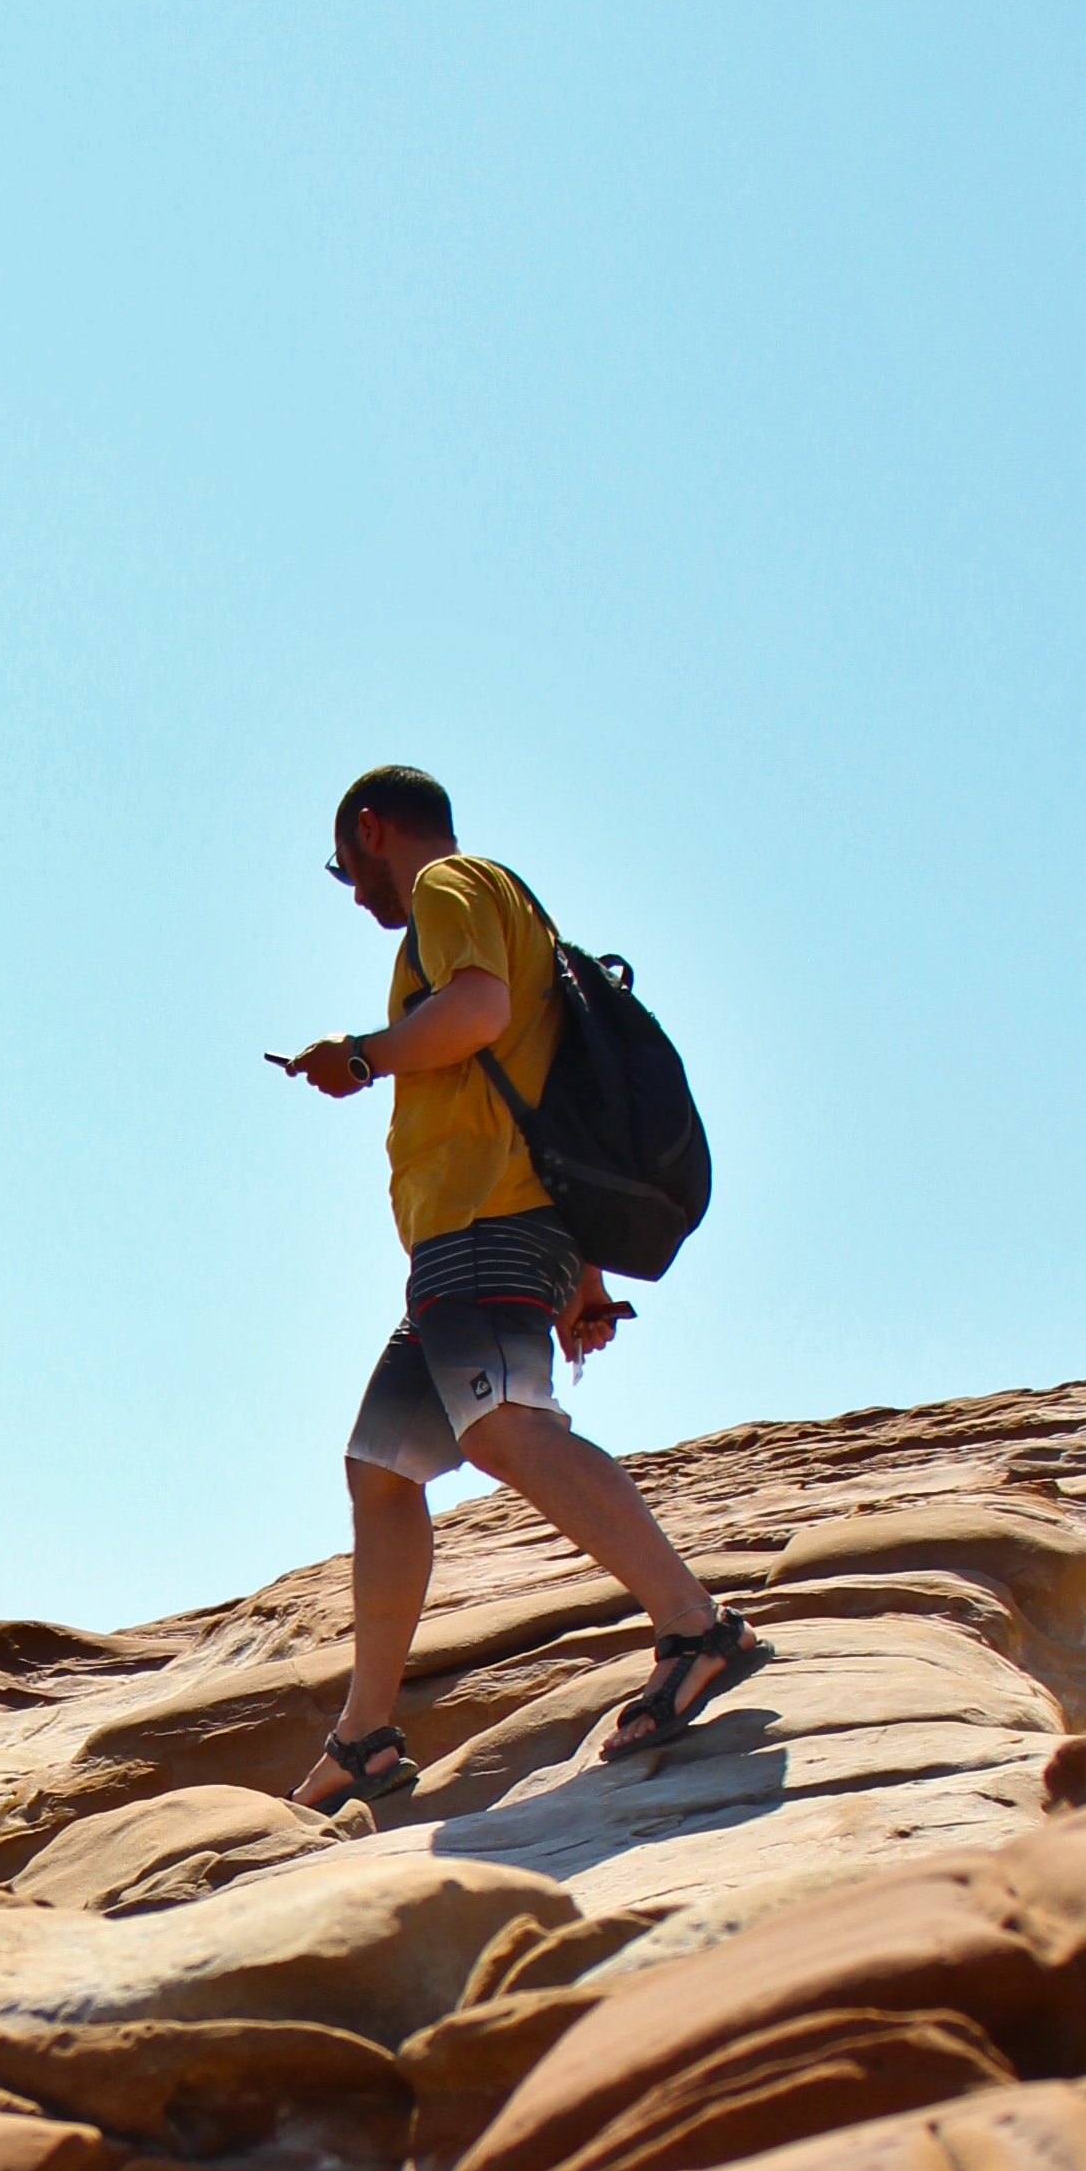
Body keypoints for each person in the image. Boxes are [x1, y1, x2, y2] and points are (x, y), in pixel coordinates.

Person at [277, 762, 769, 1813]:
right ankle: (366, 1735)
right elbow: (533, 1088)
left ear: (373, 830)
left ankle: (695, 1626)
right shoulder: (501, 903)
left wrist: (361, 1057)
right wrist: (580, 1270)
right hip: (476, 1238)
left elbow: (481, 1014)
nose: (355, 891)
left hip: (485, 1226)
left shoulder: (451, 888)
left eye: (345, 866)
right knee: (381, 1470)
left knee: (503, 1430)